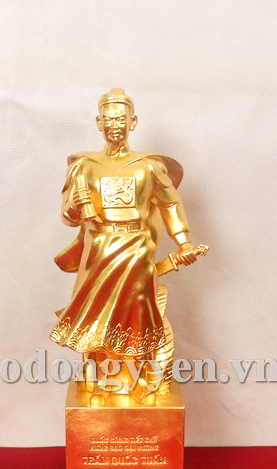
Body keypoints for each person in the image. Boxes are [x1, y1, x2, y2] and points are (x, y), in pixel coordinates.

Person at [50, 88, 204, 404]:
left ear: (133, 122)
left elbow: (170, 203)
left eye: (121, 119)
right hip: (99, 250)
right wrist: (76, 206)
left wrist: (183, 241)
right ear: (98, 123)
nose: (115, 125)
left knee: (138, 312)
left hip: (136, 249)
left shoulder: (148, 166)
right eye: (108, 119)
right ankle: (97, 376)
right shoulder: (84, 166)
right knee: (95, 316)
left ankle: (140, 376)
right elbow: (68, 216)